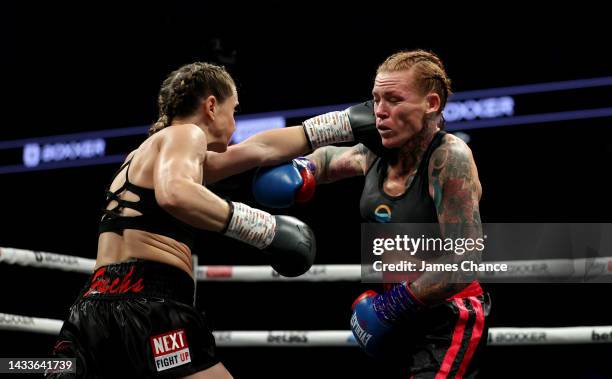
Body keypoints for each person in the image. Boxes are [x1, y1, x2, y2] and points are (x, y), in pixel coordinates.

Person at [47, 62, 326, 378]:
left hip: (90, 309)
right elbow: (175, 193)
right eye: (233, 111)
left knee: (21, 368)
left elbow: (260, 148)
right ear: (211, 106)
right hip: (150, 305)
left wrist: (341, 123)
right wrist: (264, 230)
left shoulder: (142, 155)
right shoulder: (187, 134)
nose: (235, 125)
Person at [252, 50, 489, 377]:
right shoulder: (376, 153)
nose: (379, 112)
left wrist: (395, 305)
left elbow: (466, 258)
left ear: (431, 104)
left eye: (394, 99)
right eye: (376, 99)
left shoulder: (449, 159)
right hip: (397, 312)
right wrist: (304, 169)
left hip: (447, 315)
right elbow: (328, 159)